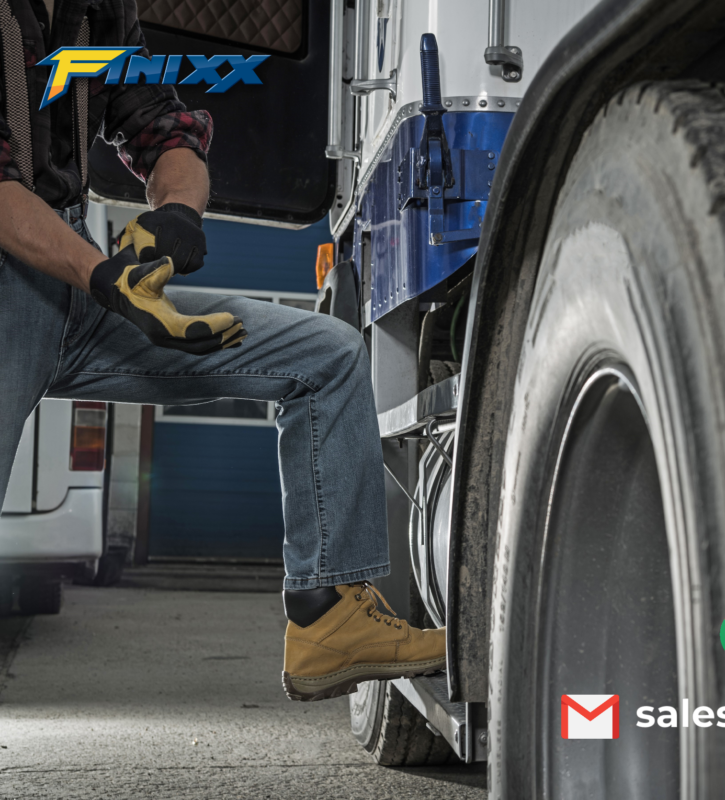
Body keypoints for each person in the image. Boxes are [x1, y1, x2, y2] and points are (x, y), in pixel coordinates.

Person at [0, 0, 444, 701]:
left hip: (71, 278)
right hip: (21, 262)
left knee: (323, 355)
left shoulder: (99, 12)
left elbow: (162, 126)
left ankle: (327, 617)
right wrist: (102, 275)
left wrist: (176, 211)